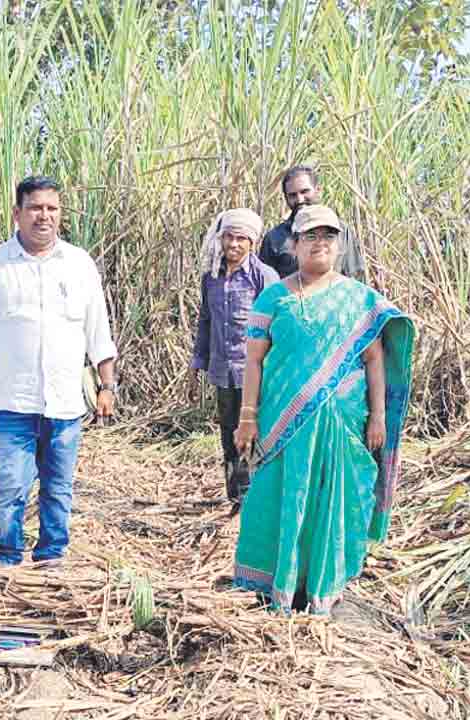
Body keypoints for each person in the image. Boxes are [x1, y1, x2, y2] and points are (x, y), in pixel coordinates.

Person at [232, 204, 414, 614]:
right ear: (293, 245)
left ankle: (323, 586)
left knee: (335, 498)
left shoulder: (358, 299)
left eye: (328, 237)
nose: (320, 244)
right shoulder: (273, 297)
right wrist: (247, 417)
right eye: (310, 236)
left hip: (341, 425)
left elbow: (374, 360)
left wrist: (380, 417)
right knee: (279, 495)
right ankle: (279, 585)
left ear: (340, 245)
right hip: (281, 421)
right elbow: (255, 360)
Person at [0, 175, 119, 567]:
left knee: (59, 487)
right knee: (11, 485)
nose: (43, 216)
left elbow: (99, 332)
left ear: (60, 214)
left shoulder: (79, 265)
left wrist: (107, 386)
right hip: (13, 402)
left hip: (65, 404)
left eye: (51, 208)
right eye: (34, 208)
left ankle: (51, 559)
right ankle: (8, 558)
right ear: (17, 214)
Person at [189, 208, 280, 510]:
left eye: (241, 238)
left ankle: (255, 497)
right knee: (228, 431)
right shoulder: (211, 277)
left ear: (252, 242)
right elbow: (206, 320)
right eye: (229, 237)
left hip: (255, 370)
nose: (234, 244)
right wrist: (197, 363)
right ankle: (236, 495)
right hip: (222, 368)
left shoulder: (263, 276)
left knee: (255, 429)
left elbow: (278, 323)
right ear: (221, 238)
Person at [260, 165, 367, 282]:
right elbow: (266, 284)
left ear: (318, 191)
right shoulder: (274, 238)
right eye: (292, 195)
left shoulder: (341, 230)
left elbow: (356, 276)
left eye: (304, 191)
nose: (300, 199)